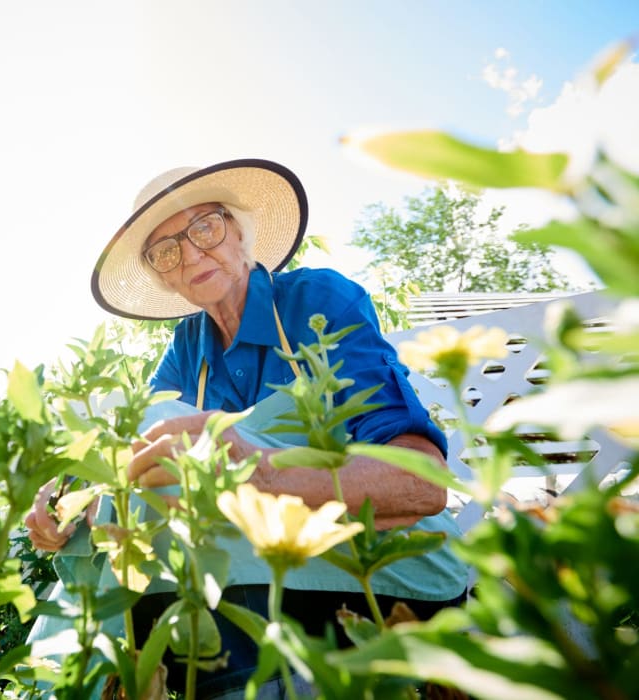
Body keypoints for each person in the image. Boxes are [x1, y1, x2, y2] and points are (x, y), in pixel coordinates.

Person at [25, 159, 468, 698]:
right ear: (163, 276)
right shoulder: (190, 348)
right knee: (152, 446)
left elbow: (424, 483)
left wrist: (258, 473)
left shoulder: (319, 301)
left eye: (204, 227)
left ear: (241, 231)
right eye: (166, 251)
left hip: (381, 567)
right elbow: (138, 458)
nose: (190, 253)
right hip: (264, 576)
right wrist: (72, 503)